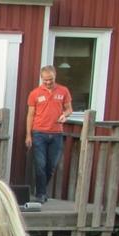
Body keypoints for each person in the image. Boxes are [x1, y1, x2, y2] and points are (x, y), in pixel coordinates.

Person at [26, 65, 72, 203]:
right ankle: (41, 194)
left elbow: (69, 109)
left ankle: (41, 190)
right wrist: (28, 135)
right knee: (40, 164)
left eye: (50, 80)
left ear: (55, 76)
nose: (47, 82)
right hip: (39, 132)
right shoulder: (35, 93)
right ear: (41, 78)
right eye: (45, 80)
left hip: (56, 133)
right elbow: (30, 115)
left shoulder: (63, 91)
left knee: (51, 166)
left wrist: (65, 115)